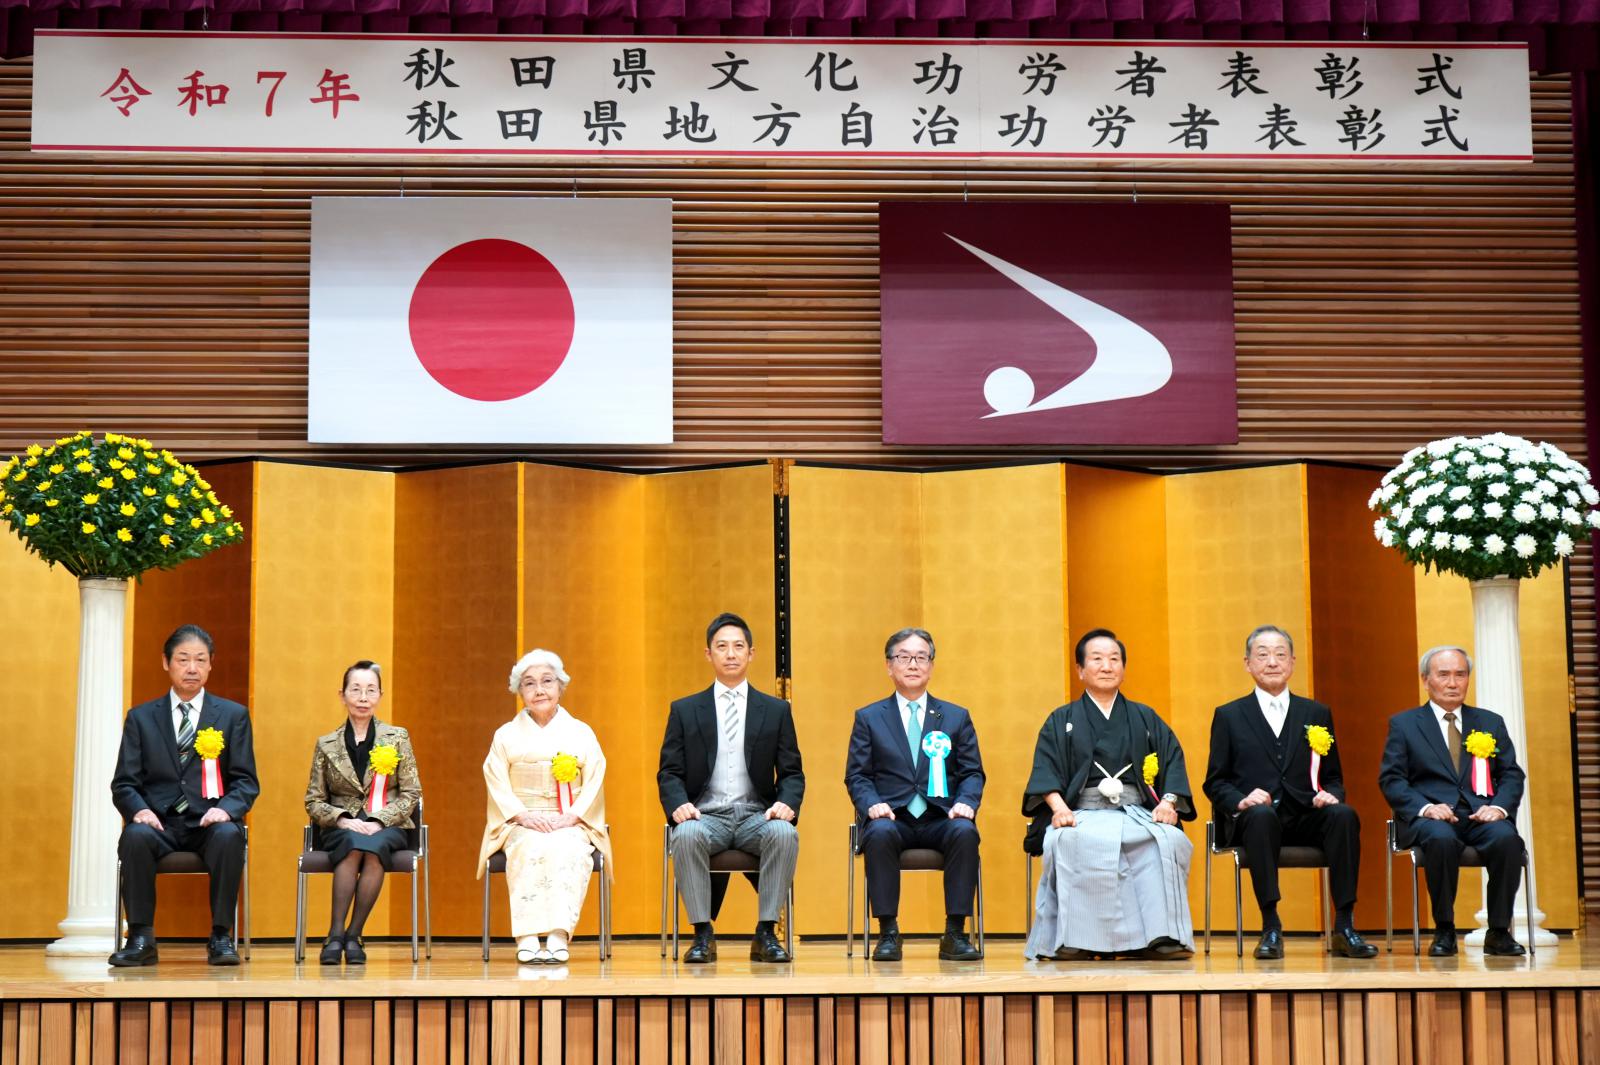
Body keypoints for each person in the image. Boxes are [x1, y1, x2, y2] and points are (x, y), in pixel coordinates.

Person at [1203, 626, 1378, 960]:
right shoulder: (1229, 715)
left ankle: (1344, 926)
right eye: (1263, 654)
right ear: (1247, 663)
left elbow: (1334, 777)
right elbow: (1215, 782)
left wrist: (1331, 794)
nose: (1272, 662)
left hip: (1305, 815)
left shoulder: (1316, 713)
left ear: (1292, 662)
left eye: (1280, 654)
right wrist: (1241, 800)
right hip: (1255, 820)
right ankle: (1271, 926)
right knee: (1261, 816)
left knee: (1343, 815)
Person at [1023, 628, 1194, 961]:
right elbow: (1045, 769)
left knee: (1168, 840)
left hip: (1136, 810)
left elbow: (1173, 759)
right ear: (1080, 670)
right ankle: (1074, 940)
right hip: (1081, 811)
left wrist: (1169, 802)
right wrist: (1059, 809)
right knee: (1065, 840)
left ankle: (1161, 936)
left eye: (1114, 659)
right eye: (1097, 659)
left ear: (1123, 668)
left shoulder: (1145, 717)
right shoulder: (1061, 720)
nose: (1106, 666)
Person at [109, 624, 259, 967]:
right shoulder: (141, 718)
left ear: (210, 665)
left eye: (200, 660)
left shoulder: (233, 716)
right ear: (166, 663)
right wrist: (140, 811)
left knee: (229, 835)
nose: (192, 668)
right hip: (159, 824)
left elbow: (246, 781)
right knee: (134, 836)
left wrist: (226, 810)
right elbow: (124, 783)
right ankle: (141, 937)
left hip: (209, 822)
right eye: (183, 659)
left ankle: (221, 936)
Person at [658, 612, 804, 964]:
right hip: (707, 816)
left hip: (756, 815)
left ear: (751, 653)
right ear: (709, 654)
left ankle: (766, 932)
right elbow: (669, 772)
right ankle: (702, 934)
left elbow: (792, 773)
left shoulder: (775, 710)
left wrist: (786, 803)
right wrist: (679, 804)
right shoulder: (685, 710)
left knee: (784, 833)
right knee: (686, 834)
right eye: (722, 647)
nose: (731, 654)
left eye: (739, 646)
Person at [845, 627, 984, 962]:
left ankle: (955, 933)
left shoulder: (955, 717)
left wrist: (965, 803)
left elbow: (972, 772)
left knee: (965, 832)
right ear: (889, 666)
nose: (913, 664)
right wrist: (872, 805)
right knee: (878, 833)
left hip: (942, 817)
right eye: (903, 657)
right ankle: (888, 933)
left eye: (921, 657)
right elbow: (857, 775)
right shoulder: (869, 718)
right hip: (892, 817)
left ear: (931, 666)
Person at [1378, 646, 1527, 957]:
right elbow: (1392, 779)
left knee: (1507, 840)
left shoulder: (1489, 722)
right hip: (1431, 818)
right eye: (1443, 675)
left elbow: (1511, 774)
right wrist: (1426, 808)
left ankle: (1499, 931)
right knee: (1441, 839)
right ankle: (1444, 928)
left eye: (1460, 674)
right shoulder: (1405, 724)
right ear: (1425, 680)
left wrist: (1498, 808)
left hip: (1479, 816)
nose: (1452, 682)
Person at [478, 649, 612, 965]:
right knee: (530, 846)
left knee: (567, 848)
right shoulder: (505, 735)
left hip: (570, 820)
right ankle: (526, 935)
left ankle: (558, 934)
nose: (539, 690)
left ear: (560, 686)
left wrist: (572, 816)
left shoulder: (581, 732)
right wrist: (522, 815)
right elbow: (496, 780)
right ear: (519, 691)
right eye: (529, 683)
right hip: (520, 820)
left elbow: (594, 780)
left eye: (547, 681)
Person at [303, 661, 422, 965]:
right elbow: (313, 800)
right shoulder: (326, 744)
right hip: (341, 827)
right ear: (342, 695)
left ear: (380, 695)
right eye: (355, 690)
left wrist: (379, 820)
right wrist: (343, 819)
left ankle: (351, 934)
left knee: (373, 847)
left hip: (387, 825)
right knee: (353, 845)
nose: (363, 697)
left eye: (371, 690)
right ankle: (337, 933)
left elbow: (411, 793)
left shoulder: (397, 737)